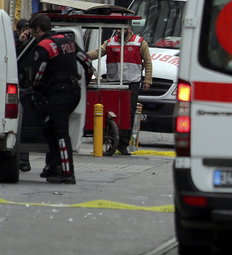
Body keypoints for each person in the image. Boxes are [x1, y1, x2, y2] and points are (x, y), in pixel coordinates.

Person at [28, 14, 92, 184]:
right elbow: (86, 60)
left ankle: (67, 172)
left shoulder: (44, 46)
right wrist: (87, 80)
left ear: (38, 29)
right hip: (74, 92)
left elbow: (38, 75)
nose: (33, 36)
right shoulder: (67, 41)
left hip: (58, 94)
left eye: (32, 32)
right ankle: (53, 166)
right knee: (50, 129)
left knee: (61, 133)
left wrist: (35, 91)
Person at [88, 25, 152, 155]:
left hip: (132, 82)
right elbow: (97, 53)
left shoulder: (140, 42)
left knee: (129, 112)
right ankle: (111, 139)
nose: (119, 31)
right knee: (111, 111)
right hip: (114, 82)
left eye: (123, 28)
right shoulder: (110, 42)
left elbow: (148, 61)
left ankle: (123, 144)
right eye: (117, 28)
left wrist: (148, 80)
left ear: (129, 28)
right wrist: (84, 56)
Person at [13, 18, 31, 172]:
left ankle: (24, 159)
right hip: (16, 85)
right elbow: (12, 59)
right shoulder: (14, 42)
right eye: (24, 30)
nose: (26, 33)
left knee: (25, 125)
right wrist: (20, 42)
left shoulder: (35, 42)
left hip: (28, 86)